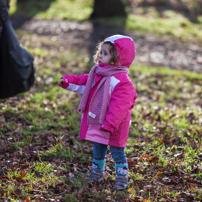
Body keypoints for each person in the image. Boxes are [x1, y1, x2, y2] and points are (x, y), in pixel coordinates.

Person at [58, 34, 137, 191]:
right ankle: (97, 174)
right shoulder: (98, 74)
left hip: (115, 125)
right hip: (99, 122)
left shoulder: (122, 82)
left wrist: (110, 124)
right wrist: (68, 81)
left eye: (106, 53)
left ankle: (122, 179)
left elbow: (119, 107)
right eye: (101, 52)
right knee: (98, 148)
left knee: (117, 152)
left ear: (117, 58)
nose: (100, 56)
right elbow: (84, 82)